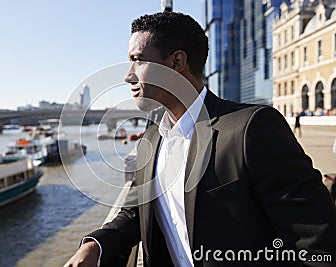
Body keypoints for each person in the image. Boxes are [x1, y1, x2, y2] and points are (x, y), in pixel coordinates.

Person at [65, 12, 336, 267]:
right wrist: (96, 245)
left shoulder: (252, 128)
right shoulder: (150, 139)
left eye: (138, 60)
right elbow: (136, 212)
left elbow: (316, 236)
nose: (128, 75)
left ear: (176, 62)